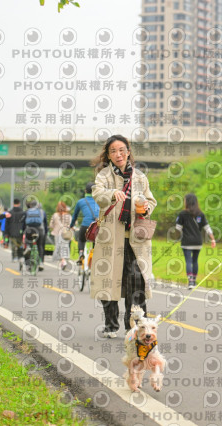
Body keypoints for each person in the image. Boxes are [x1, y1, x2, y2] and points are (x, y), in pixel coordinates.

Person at [91, 134, 157, 339]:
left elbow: (150, 201)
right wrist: (112, 194)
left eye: (121, 150)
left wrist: (146, 208)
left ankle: (135, 326)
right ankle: (111, 325)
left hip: (136, 239)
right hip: (111, 238)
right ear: (108, 155)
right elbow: (97, 194)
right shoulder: (104, 175)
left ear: (128, 152)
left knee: (136, 281)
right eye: (113, 151)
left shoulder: (140, 177)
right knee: (109, 280)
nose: (118, 154)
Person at [175, 193, 216, 289]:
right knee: (195, 261)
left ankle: (190, 282)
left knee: (188, 261)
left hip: (187, 242)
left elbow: (178, 228)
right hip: (198, 242)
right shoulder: (200, 214)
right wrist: (213, 239)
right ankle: (194, 281)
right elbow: (207, 228)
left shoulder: (182, 214)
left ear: (187, 202)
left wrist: (177, 237)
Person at [70, 182, 99, 264]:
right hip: (97, 225)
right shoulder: (99, 201)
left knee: (81, 239)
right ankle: (96, 255)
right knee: (96, 241)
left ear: (85, 191)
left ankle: (81, 253)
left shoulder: (80, 202)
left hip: (86, 225)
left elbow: (75, 216)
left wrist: (71, 226)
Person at [22, 200, 48, 271]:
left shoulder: (27, 211)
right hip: (40, 231)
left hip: (30, 230)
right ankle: (41, 263)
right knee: (40, 246)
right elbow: (45, 224)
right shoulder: (42, 212)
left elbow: (23, 223)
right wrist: (45, 233)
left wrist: (23, 231)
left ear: (30, 205)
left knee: (27, 243)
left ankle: (28, 263)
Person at [50, 201, 73, 270]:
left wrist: (55, 227)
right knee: (65, 247)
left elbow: (51, 225)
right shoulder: (68, 215)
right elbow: (71, 224)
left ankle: (63, 261)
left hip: (57, 234)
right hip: (66, 234)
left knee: (59, 247)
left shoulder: (55, 215)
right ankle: (64, 261)